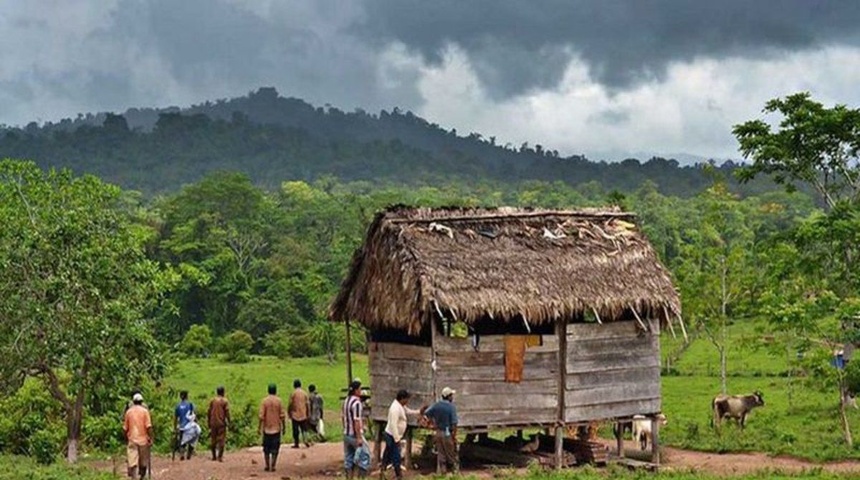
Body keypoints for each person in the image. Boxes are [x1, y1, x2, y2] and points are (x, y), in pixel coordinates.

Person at [382, 389, 421, 480]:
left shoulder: (400, 405)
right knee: (396, 455)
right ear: (402, 398)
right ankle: (398, 475)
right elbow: (393, 424)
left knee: (388, 453)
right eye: (407, 399)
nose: (407, 401)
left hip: (392, 435)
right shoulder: (395, 409)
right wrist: (397, 439)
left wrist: (418, 411)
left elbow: (408, 411)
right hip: (392, 435)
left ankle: (383, 470)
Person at [422, 387, 459, 474]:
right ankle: (454, 474)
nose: (452, 397)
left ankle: (442, 474)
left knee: (441, 454)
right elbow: (454, 423)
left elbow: (426, 414)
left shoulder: (436, 405)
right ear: (449, 396)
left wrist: (431, 422)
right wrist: (454, 436)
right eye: (451, 395)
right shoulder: (451, 407)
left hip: (438, 432)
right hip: (447, 432)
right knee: (451, 454)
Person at [123, 393, 153, 480]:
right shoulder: (145, 411)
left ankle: (134, 477)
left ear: (133, 401)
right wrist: (151, 438)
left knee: (132, 460)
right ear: (141, 402)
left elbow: (125, 428)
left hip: (132, 439)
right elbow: (149, 426)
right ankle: (142, 477)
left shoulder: (128, 412)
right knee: (143, 462)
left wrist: (125, 438)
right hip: (143, 440)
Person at [258, 383, 286, 472]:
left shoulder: (264, 401)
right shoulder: (279, 401)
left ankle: (267, 465)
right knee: (275, 448)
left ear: (268, 390)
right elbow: (282, 416)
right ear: (275, 391)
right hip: (276, 428)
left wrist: (259, 428)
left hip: (266, 429)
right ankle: (273, 465)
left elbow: (261, 416)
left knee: (266, 448)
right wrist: (284, 427)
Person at [342, 379, 366, 479]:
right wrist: (359, 437)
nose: (360, 391)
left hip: (346, 434)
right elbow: (356, 420)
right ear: (356, 390)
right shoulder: (357, 403)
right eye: (360, 389)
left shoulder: (346, 401)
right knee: (363, 458)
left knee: (348, 459)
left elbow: (342, 417)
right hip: (354, 435)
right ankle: (360, 478)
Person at [207, 386, 230, 462]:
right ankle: (220, 456)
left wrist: (209, 421)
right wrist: (229, 421)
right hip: (221, 423)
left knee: (213, 439)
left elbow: (209, 411)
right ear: (223, 392)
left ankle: (213, 456)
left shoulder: (212, 400)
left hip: (213, 422)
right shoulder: (225, 401)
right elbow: (227, 412)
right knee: (221, 439)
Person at [288, 379, 311, 448]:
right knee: (304, 429)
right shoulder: (304, 393)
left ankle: (296, 443)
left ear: (294, 385)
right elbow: (308, 404)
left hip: (295, 414)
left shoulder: (293, 393)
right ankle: (306, 440)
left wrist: (289, 412)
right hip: (303, 413)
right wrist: (308, 413)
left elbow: (290, 404)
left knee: (295, 430)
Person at [174, 390, 195, 458]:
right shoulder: (190, 404)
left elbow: (176, 417)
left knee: (182, 440)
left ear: (181, 397)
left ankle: (182, 453)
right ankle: (189, 454)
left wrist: (175, 427)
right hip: (189, 425)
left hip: (181, 426)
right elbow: (193, 415)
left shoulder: (178, 406)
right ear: (187, 396)